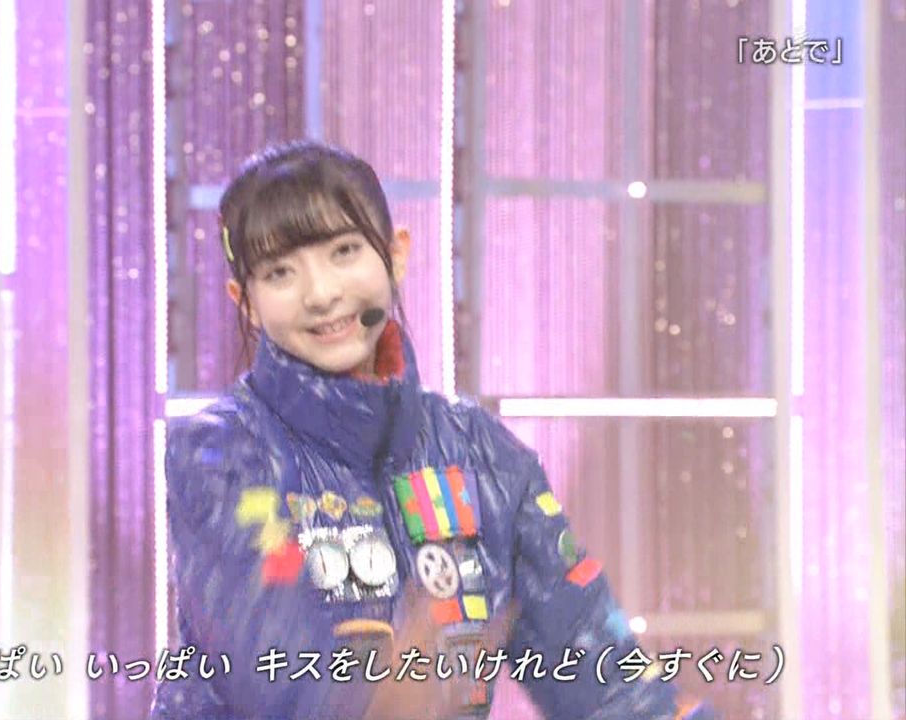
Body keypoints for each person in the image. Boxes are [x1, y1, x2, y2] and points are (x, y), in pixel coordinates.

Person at [149, 140, 713, 720]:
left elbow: (608, 684)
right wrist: (387, 695)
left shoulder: (484, 458)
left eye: (344, 251)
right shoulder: (222, 455)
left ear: (396, 255)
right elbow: (280, 668)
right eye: (280, 272)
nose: (321, 294)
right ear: (246, 303)